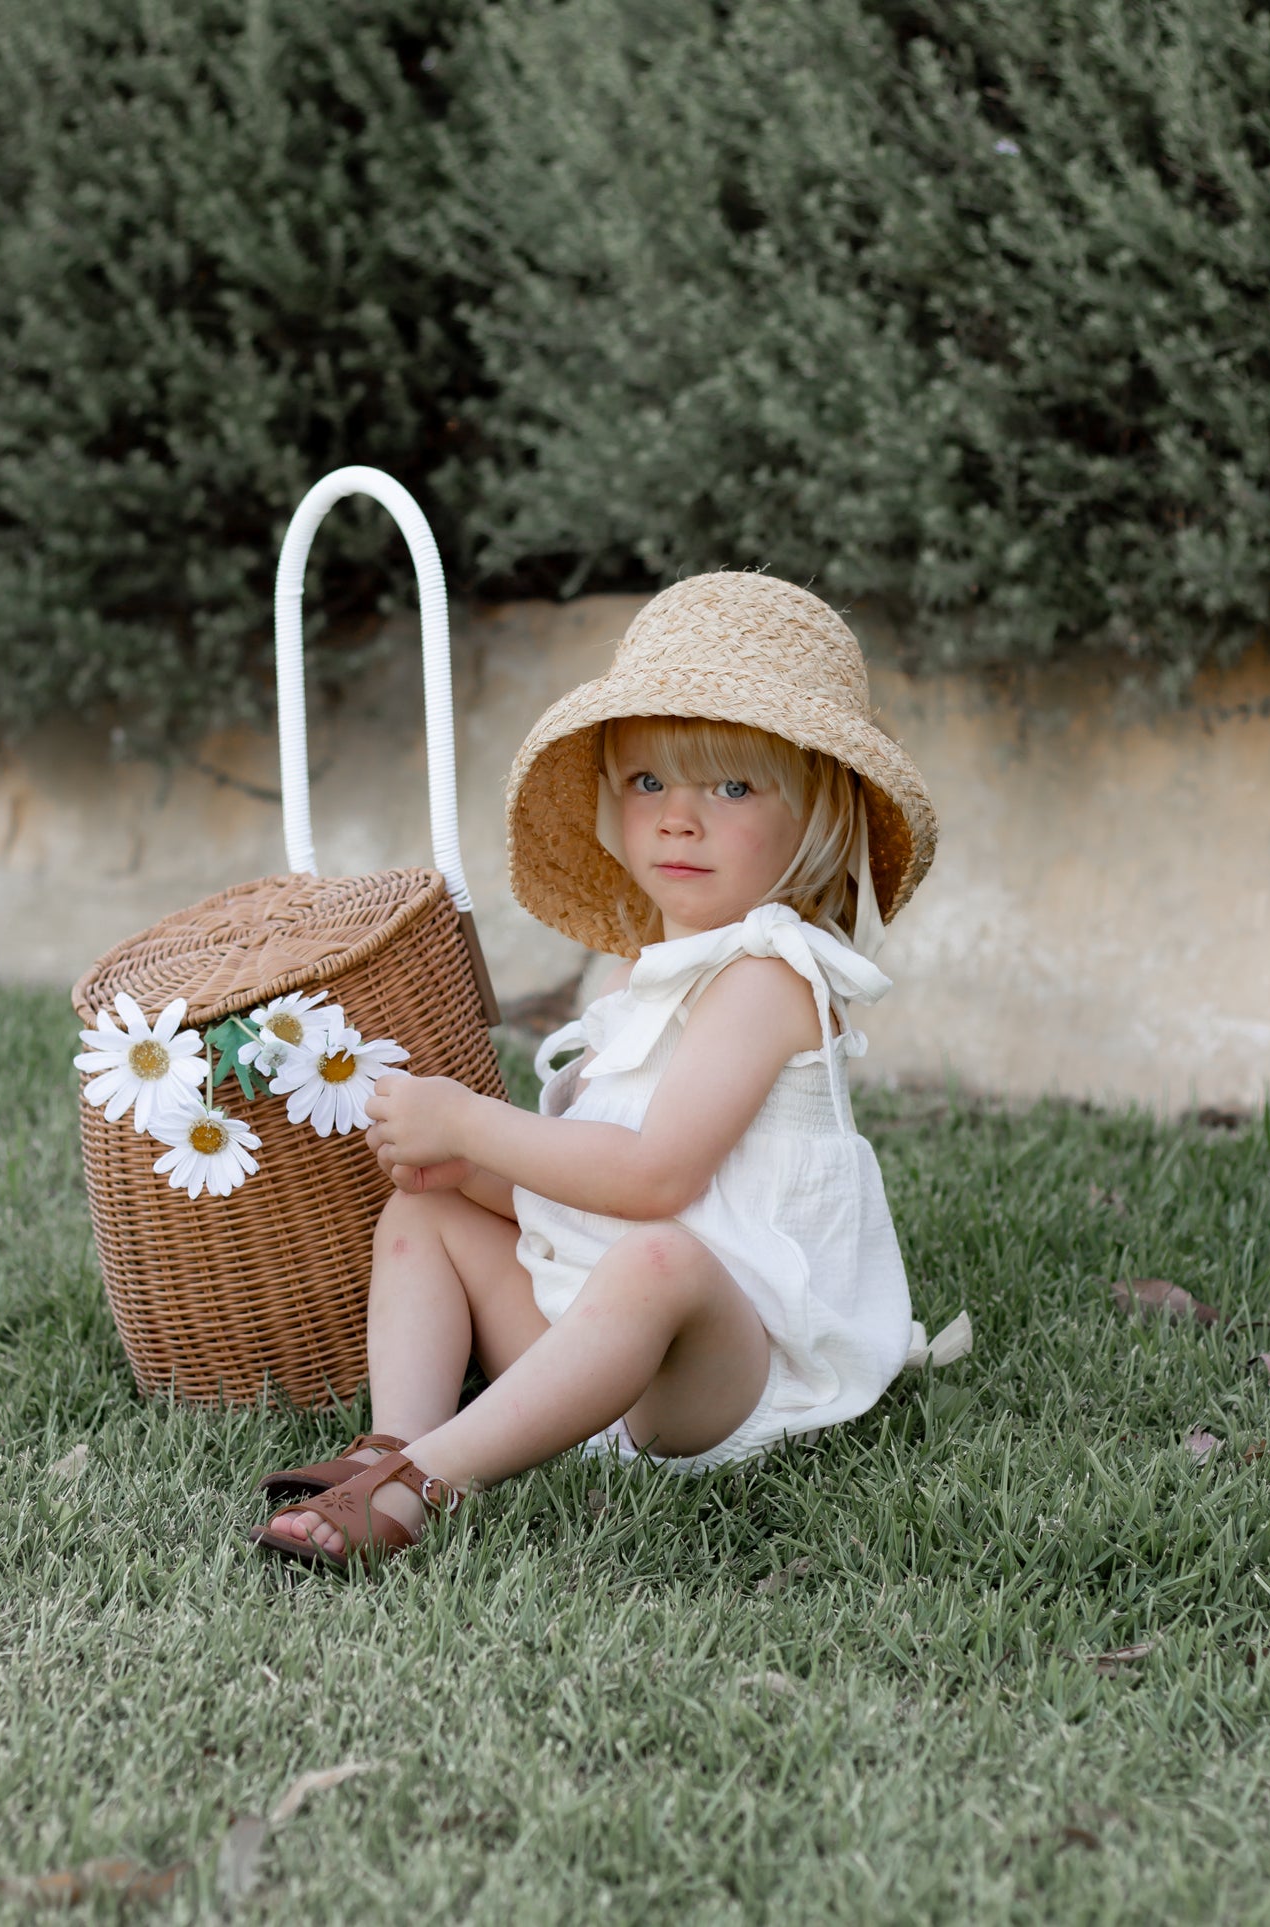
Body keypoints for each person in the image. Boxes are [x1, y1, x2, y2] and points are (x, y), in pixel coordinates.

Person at [252, 570, 955, 1573]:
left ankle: (421, 1488)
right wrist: (467, 1171)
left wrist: (468, 1122)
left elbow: (654, 1181)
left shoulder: (768, 977)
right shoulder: (637, 980)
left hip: (716, 1373)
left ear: (817, 813)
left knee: (658, 1259)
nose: (678, 817)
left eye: (730, 786)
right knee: (427, 1211)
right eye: (646, 782)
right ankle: (393, 1442)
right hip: (588, 1345)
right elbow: (580, 1181)